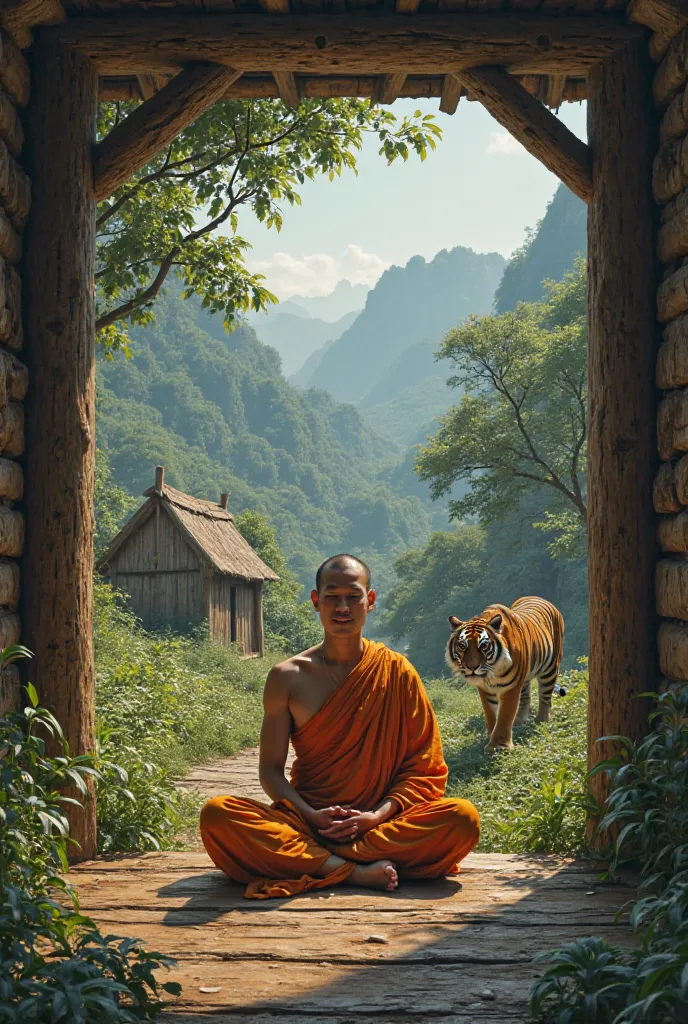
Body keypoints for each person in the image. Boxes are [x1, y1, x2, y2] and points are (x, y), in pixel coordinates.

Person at [200, 554, 480, 899]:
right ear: (316, 602)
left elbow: (424, 768)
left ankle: (320, 864)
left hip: (380, 824)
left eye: (353, 596)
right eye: (332, 597)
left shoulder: (397, 671)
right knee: (217, 815)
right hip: (308, 823)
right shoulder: (287, 676)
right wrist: (312, 816)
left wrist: (375, 817)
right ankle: (353, 871)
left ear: (370, 601)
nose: (342, 607)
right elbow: (270, 772)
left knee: (462, 818)